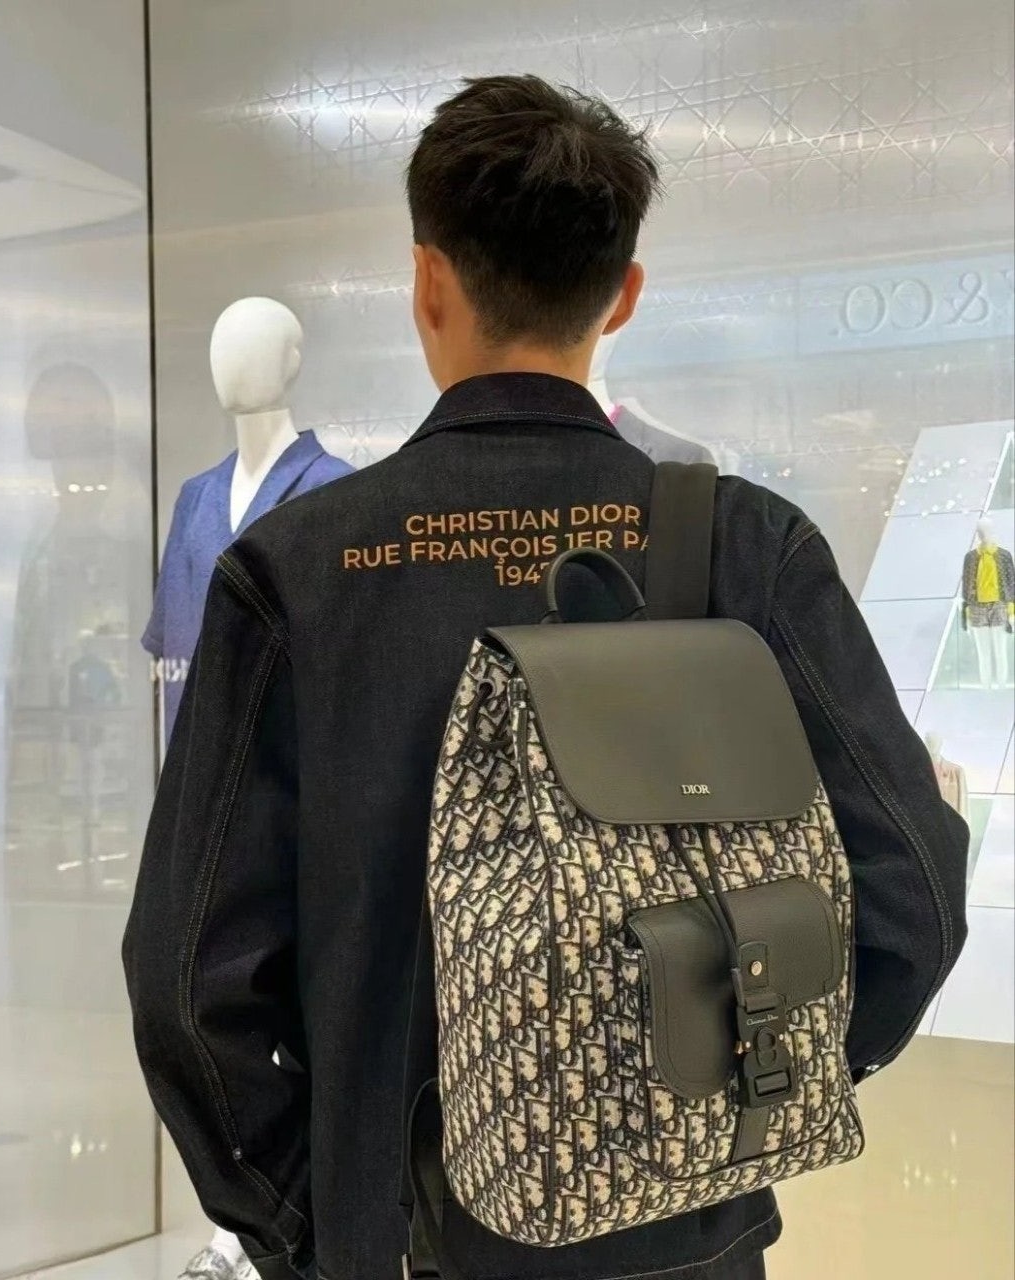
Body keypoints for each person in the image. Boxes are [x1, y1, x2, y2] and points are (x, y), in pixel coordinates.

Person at [123, 75, 969, 1280]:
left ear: (427, 282)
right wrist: (751, 1081)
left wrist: (307, 1217)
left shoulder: (298, 572)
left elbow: (183, 975)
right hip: (689, 1237)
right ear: (623, 294)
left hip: (400, 1234)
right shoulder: (746, 547)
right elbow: (915, 889)